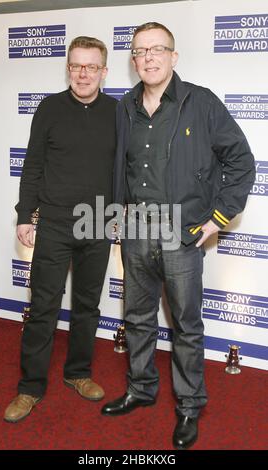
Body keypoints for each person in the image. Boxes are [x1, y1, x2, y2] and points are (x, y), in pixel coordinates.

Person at [101, 22, 255, 449]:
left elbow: (241, 161)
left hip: (182, 234)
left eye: (157, 49)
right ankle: (140, 388)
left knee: (186, 325)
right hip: (135, 231)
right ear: (132, 61)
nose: (148, 57)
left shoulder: (200, 103)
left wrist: (217, 219)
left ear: (173, 56)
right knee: (136, 318)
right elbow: (119, 167)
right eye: (140, 51)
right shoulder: (124, 107)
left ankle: (189, 407)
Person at [4, 36, 117, 423]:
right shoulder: (49, 108)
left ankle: (79, 373)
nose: (83, 73)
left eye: (91, 66)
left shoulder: (119, 113)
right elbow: (32, 165)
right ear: (68, 67)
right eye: (76, 65)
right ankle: (30, 387)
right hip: (52, 222)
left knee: (87, 307)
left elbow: (125, 171)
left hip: (98, 223)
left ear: (105, 71)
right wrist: (24, 214)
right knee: (43, 308)